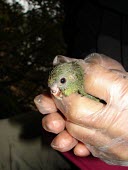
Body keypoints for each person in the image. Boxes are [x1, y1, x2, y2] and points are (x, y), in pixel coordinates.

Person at [34, 53, 128, 169]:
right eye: (52, 87)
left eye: (62, 81)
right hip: (48, 142)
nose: (54, 91)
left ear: (73, 77)